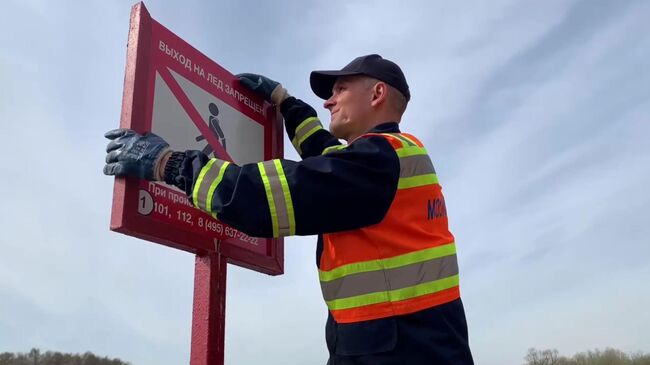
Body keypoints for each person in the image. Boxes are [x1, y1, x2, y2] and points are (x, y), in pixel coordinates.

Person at [104, 54, 474, 365]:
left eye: (340, 90)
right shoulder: (390, 159)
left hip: (399, 352)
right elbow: (326, 155)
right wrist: (286, 103)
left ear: (377, 94)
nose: (330, 101)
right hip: (410, 345)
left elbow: (273, 195)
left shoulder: (381, 158)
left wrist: (167, 164)